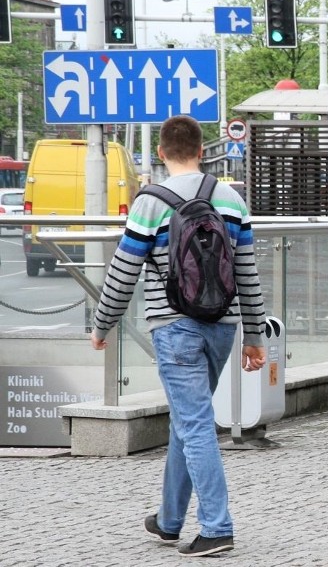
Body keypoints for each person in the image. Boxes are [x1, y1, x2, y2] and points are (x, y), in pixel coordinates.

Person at [90, 115, 267, 557]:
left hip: (173, 327)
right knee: (189, 420)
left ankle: (217, 527)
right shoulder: (230, 199)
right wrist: (255, 336)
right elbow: (247, 273)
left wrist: (102, 323)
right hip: (222, 328)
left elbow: (124, 270)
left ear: (162, 153)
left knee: (195, 423)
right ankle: (170, 519)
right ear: (202, 151)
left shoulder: (150, 202)